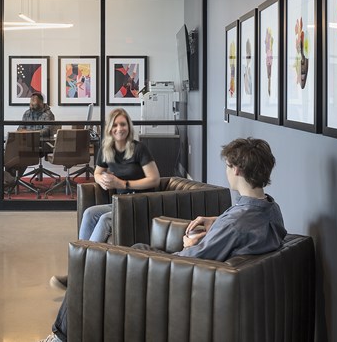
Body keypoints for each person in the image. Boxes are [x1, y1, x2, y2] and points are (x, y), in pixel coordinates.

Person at [39, 137, 286, 342]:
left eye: (228, 166)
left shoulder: (235, 224)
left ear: (237, 169)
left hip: (178, 277)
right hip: (200, 272)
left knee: (90, 268)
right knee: (137, 248)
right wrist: (216, 220)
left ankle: (59, 337)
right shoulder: (269, 208)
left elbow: (195, 259)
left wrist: (193, 245)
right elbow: (240, 228)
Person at [76, 107, 160, 242]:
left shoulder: (139, 148)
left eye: (123, 124)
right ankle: (82, 253)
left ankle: (89, 257)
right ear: (109, 128)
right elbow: (97, 172)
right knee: (89, 213)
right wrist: (101, 179)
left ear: (129, 127)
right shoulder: (106, 150)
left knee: (104, 219)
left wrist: (123, 184)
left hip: (142, 202)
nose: (119, 128)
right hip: (120, 202)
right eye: (115, 125)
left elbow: (154, 179)